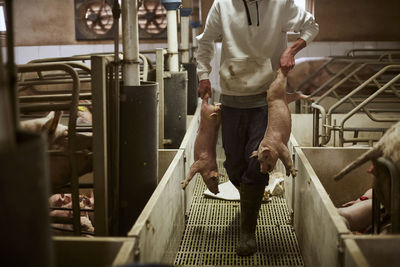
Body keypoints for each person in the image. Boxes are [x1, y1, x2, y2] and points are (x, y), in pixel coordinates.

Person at [195, 0, 319, 256]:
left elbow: (311, 26)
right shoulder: (222, 4)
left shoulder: (281, 4)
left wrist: (292, 49)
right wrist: (203, 74)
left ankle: (248, 229)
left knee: (256, 164)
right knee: (234, 165)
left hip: (267, 99)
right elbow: (206, 40)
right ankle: (249, 200)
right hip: (231, 95)